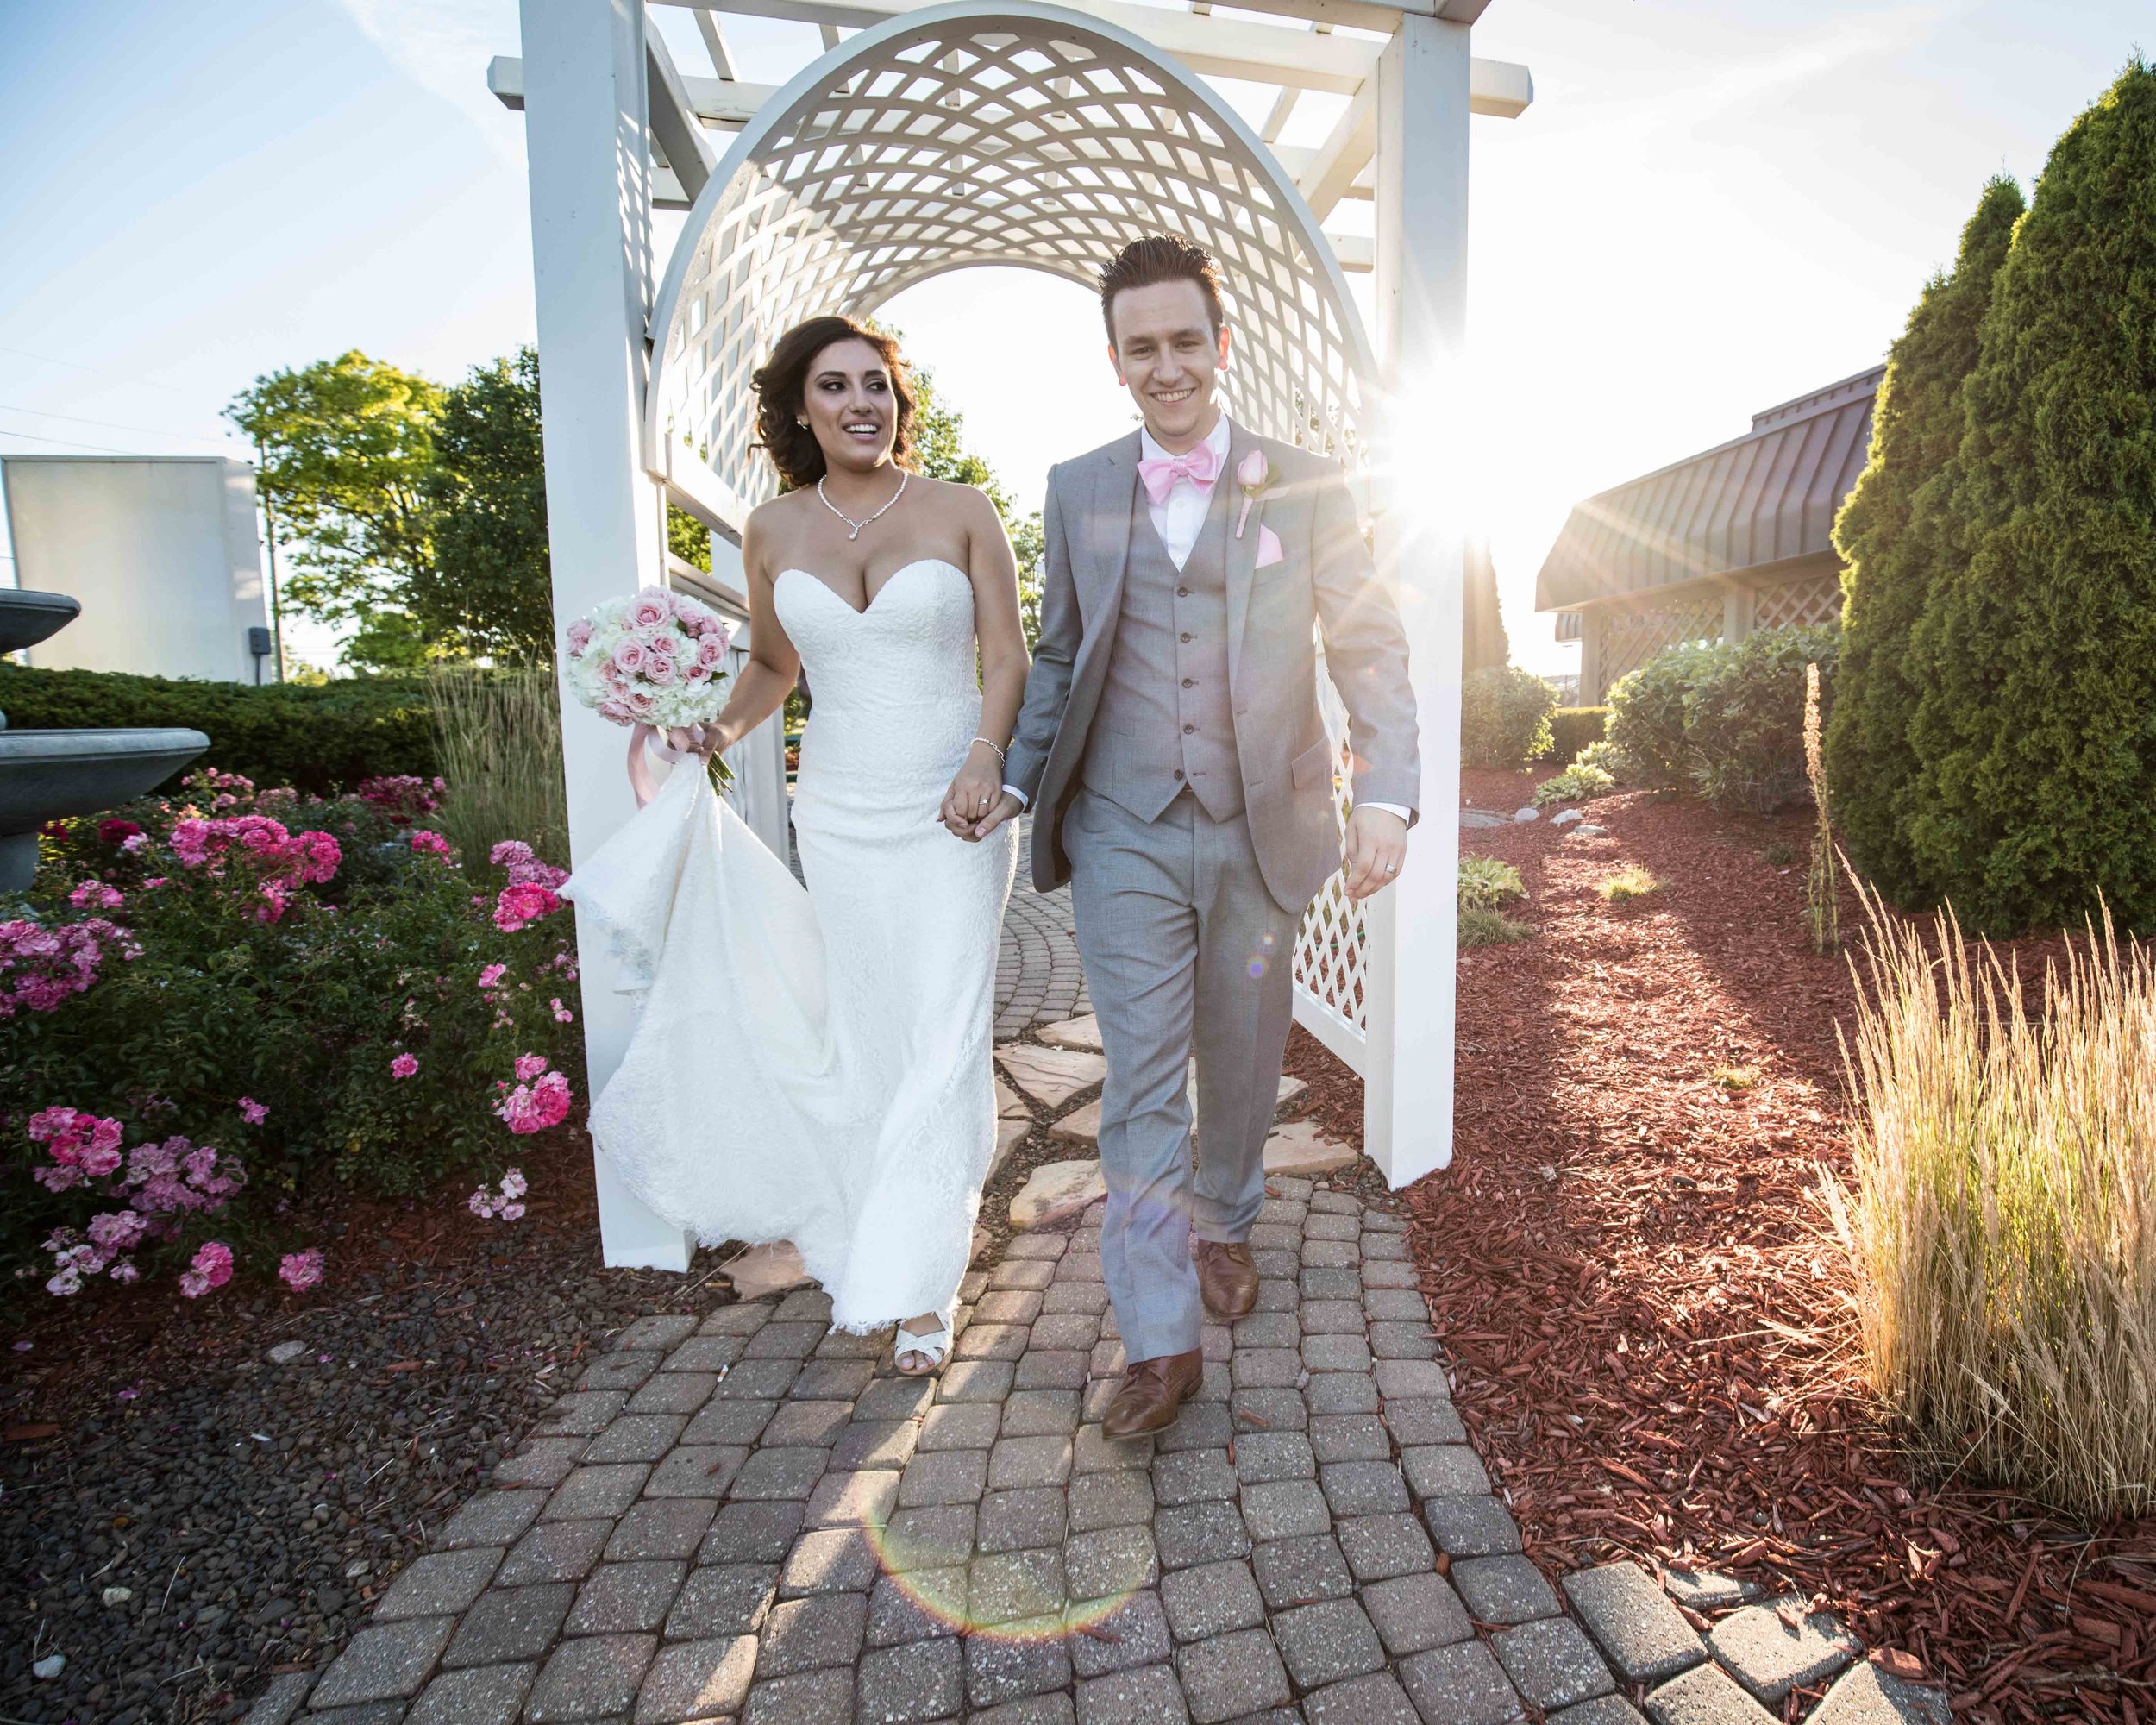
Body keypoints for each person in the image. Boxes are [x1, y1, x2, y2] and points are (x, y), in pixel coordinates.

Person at [970, 236, 1420, 1438]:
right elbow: (1061, 650)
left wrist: (1386, 792)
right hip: (1120, 825)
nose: (1164, 366)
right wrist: (1014, 781)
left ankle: (1226, 1214)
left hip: (1264, 821)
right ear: (1114, 362)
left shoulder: (1307, 480)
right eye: (1140, 348)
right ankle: (1158, 1337)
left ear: (1220, 347)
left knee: (1243, 1051)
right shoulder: (1075, 486)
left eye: (1184, 341)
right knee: (1142, 1076)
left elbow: (1368, 645)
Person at [565, 316, 1026, 1374]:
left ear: (898, 402)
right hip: (841, 814)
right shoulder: (772, 530)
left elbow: (1007, 653)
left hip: (955, 810)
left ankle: (921, 1282)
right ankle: (880, 1221)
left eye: (878, 383)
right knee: (872, 1034)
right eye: (836, 385)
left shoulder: (961, 511)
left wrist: (986, 758)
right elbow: (772, 666)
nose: (863, 401)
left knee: (945, 1036)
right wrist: (710, 730)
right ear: (802, 407)